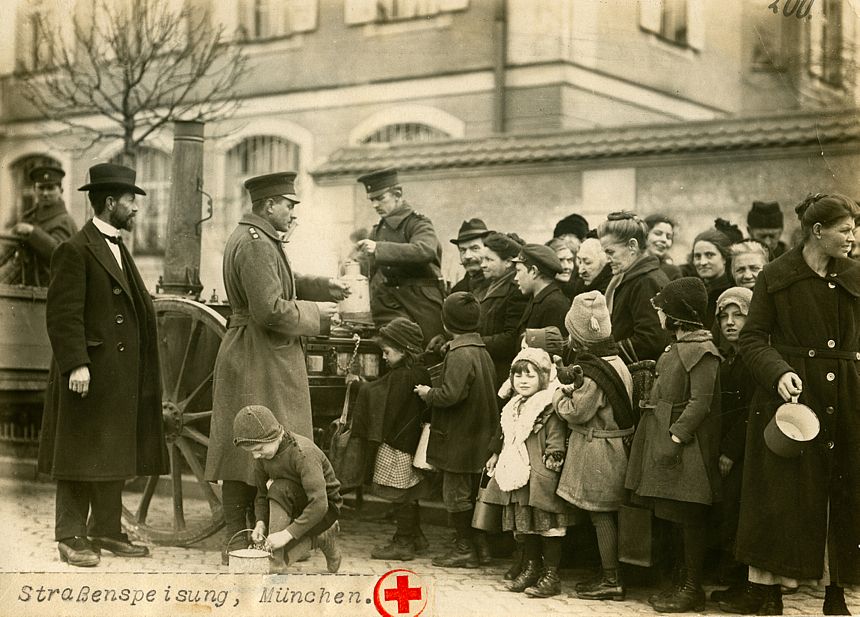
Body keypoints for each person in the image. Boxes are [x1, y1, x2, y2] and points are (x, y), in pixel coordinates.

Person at [727, 194, 860, 616]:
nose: (853, 237)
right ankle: (769, 594)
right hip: (793, 401)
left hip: (846, 399)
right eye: (845, 230)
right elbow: (751, 338)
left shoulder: (856, 276)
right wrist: (778, 372)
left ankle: (834, 589)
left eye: (854, 229)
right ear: (818, 232)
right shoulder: (775, 275)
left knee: (841, 492)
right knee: (781, 497)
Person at [204, 171, 347, 563]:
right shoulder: (256, 245)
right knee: (262, 447)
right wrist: (318, 314)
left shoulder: (258, 239)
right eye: (289, 205)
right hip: (262, 356)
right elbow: (269, 309)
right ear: (269, 205)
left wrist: (322, 286)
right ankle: (250, 540)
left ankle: (249, 538)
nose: (292, 212)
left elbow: (280, 283)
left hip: (255, 352)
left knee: (247, 450)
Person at [38, 163, 168, 567]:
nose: (135, 209)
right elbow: (63, 315)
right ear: (110, 202)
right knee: (77, 453)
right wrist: (76, 363)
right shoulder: (75, 249)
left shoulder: (117, 247)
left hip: (117, 375)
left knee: (112, 450)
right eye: (131, 201)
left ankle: (106, 530)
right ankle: (70, 534)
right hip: (88, 373)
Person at [624, 277, 722, 614]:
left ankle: (692, 589)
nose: (659, 317)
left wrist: (676, 436)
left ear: (677, 316)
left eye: (663, 311)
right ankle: (681, 583)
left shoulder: (703, 351)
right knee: (675, 515)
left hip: (687, 448)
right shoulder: (678, 347)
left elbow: (701, 402)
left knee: (690, 516)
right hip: (668, 440)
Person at [554, 291, 633, 602]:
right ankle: (608, 572)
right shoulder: (615, 360)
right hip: (616, 447)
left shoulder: (593, 371)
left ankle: (611, 579)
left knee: (601, 515)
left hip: (601, 452)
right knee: (606, 514)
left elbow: (578, 411)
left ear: (578, 335)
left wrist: (559, 396)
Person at [414, 292, 499, 568]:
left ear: (446, 321)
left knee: (454, 494)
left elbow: (450, 395)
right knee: (471, 493)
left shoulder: (460, 353)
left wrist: (428, 393)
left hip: (458, 438)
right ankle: (481, 548)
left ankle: (464, 548)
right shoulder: (481, 350)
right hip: (478, 437)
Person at [485, 347, 572, 598]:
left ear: (543, 378)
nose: (523, 381)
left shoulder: (547, 407)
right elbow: (507, 437)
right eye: (518, 376)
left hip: (541, 475)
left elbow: (556, 438)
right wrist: (497, 455)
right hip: (518, 474)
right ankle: (531, 567)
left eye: (530, 375)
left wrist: (553, 459)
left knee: (548, 526)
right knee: (526, 526)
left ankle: (551, 574)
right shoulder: (512, 407)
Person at [234, 405, 343, 574]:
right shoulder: (263, 456)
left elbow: (320, 504)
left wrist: (286, 535)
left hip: (324, 509)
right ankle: (313, 541)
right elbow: (262, 494)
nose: (256, 456)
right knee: (278, 488)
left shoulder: (303, 453)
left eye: (259, 449)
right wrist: (260, 522)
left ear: (275, 436)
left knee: (279, 489)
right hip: (296, 504)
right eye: (252, 452)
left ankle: (321, 535)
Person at [365, 318, 433, 561]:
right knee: (409, 491)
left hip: (397, 444)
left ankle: (403, 542)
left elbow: (386, 407)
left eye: (387, 352)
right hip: (411, 442)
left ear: (403, 350)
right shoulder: (418, 371)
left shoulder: (400, 376)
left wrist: (359, 389)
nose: (384, 357)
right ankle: (416, 536)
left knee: (399, 492)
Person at [356, 168, 445, 345]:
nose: (375, 205)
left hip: (421, 303)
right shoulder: (377, 230)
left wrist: (379, 248)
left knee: (427, 355)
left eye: (380, 198)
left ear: (398, 194)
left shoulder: (418, 223)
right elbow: (368, 269)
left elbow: (425, 250)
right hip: (390, 304)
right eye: (372, 199)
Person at [708, 287, 755, 606]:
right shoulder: (729, 357)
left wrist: (730, 450)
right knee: (729, 513)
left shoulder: (754, 359)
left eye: (739, 315)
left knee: (740, 515)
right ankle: (734, 579)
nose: (730, 322)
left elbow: (751, 411)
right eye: (724, 316)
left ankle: (745, 584)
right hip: (731, 451)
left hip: (746, 453)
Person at [598, 212, 670, 363]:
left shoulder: (646, 281)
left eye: (610, 252)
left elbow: (650, 341)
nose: (607, 259)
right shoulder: (632, 277)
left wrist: (604, 354)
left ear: (632, 246)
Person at [2, 165, 78, 286]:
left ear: (61, 191)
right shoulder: (29, 217)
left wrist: (33, 232)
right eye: (41, 188)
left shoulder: (65, 221)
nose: (45, 193)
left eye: (50, 188)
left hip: (51, 289)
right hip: (24, 285)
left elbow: (59, 255)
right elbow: (7, 250)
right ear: (34, 189)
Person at [478, 232, 528, 386]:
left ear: (507, 262)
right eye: (482, 259)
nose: (482, 265)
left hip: (502, 373)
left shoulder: (516, 291)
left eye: (489, 260)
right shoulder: (492, 284)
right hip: (490, 366)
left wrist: (474, 341)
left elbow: (511, 338)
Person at [512, 244, 570, 339]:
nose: (516, 278)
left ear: (534, 271)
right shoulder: (538, 298)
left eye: (519, 271)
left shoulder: (554, 305)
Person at [689, 221, 736, 328]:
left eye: (709, 255)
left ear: (724, 257)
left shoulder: (731, 291)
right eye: (697, 256)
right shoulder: (695, 291)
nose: (702, 262)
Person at [450, 218, 493, 298]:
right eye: (462, 250)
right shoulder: (457, 291)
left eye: (475, 248)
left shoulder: (498, 285)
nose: (467, 256)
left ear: (488, 248)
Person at [644, 213, 682, 280]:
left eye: (669, 237)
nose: (664, 240)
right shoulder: (630, 265)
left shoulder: (672, 272)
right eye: (658, 233)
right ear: (645, 235)